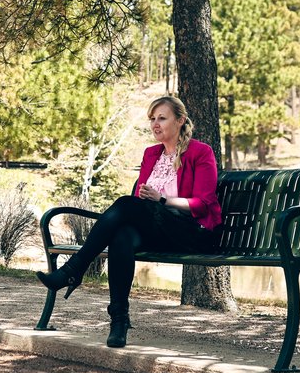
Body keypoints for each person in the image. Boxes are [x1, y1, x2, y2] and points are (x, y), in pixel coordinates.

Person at [37, 95, 222, 348]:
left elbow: (203, 203)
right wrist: (151, 202)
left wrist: (162, 200)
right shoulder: (151, 154)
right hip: (159, 230)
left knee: (125, 204)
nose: (155, 124)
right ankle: (119, 321)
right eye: (152, 119)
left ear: (180, 120)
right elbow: (139, 202)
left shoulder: (201, 152)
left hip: (192, 232)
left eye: (162, 118)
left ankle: (73, 271)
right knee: (122, 235)